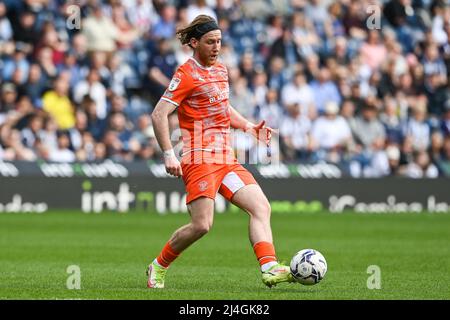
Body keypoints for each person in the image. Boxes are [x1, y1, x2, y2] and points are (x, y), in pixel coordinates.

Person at [147, 15, 294, 289]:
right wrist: (168, 153)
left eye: (219, 41)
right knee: (202, 225)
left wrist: (249, 127)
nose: (216, 47)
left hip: (225, 158)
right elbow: (159, 114)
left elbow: (222, 108)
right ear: (194, 43)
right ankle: (158, 266)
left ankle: (270, 267)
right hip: (199, 158)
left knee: (261, 207)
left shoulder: (221, 70)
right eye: (210, 42)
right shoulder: (186, 74)